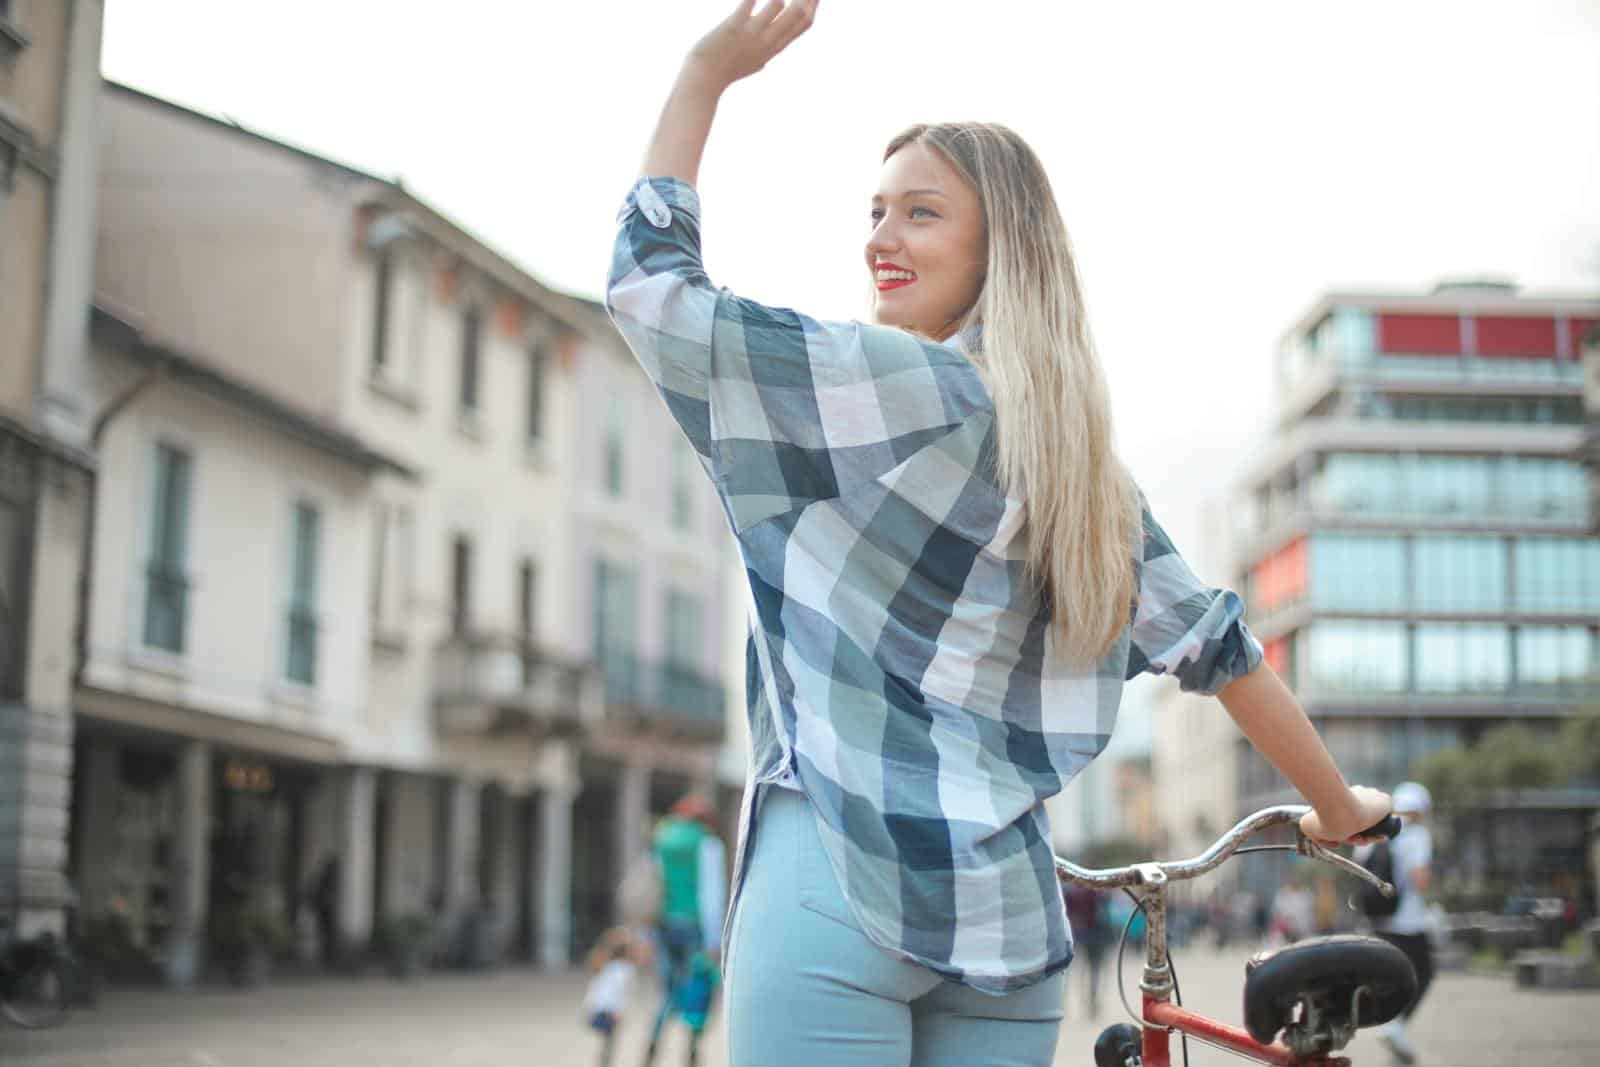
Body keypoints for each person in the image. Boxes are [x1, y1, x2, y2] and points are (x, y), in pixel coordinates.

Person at [605, 5, 1394, 1064]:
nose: (880, 238)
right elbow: (1218, 647)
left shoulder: (870, 379)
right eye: (874, 211)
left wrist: (704, 75)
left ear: (996, 245)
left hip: (836, 872)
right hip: (1008, 920)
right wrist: (1338, 807)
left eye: (919, 213)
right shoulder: (1075, 460)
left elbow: (653, 296)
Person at [643, 793, 727, 1067]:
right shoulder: (707, 843)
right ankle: (692, 1050)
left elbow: (651, 885)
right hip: (694, 925)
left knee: (667, 990)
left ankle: (652, 1047)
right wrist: (715, 939)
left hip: (663, 924)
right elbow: (711, 894)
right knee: (697, 985)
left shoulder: (662, 838)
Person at [1363, 781, 1435, 1065]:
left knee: (1383, 976)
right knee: (1424, 973)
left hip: (1377, 920)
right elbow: (1420, 880)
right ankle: (1395, 1026)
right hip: (1408, 923)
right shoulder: (1417, 835)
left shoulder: (1376, 834)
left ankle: (1385, 1023)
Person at [584, 926, 651, 1067]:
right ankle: (605, 1062)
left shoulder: (607, 966)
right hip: (609, 1010)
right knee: (610, 1042)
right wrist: (617, 1011)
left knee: (608, 1042)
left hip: (597, 1008)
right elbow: (618, 994)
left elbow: (597, 991)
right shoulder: (625, 970)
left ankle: (604, 1061)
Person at [1063, 884, 1112, 1018]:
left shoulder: (1073, 892)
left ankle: (1085, 1000)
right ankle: (1091, 1001)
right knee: (1092, 971)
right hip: (1093, 935)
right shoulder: (1099, 893)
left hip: (1083, 935)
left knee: (1078, 971)